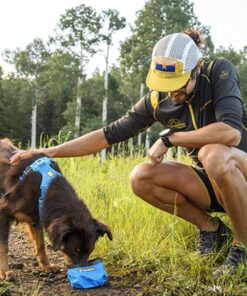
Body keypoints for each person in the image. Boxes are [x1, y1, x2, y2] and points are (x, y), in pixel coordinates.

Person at [11, 29, 247, 271]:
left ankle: (242, 245)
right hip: (214, 183)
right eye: (166, 86)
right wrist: (50, 152)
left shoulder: (218, 71)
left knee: (213, 154)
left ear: (196, 67)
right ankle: (213, 230)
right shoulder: (158, 101)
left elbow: (231, 132)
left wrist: (170, 139)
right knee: (141, 176)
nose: (172, 93)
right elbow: (107, 135)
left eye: (178, 84)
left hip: (240, 169)